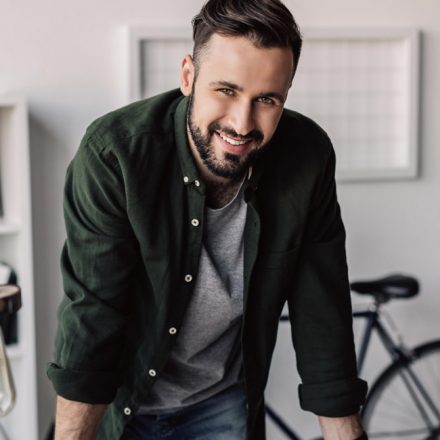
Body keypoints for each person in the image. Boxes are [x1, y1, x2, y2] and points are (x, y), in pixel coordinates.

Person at [47, 0, 369, 438]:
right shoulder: (115, 154)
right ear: (188, 76)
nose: (242, 123)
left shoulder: (307, 157)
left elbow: (322, 310)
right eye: (226, 90)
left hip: (224, 406)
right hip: (123, 408)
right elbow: (93, 315)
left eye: (266, 100)